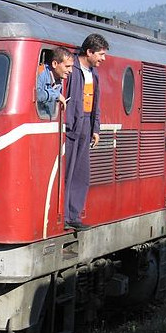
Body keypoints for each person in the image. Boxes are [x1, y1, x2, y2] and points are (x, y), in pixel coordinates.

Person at [63, 33, 109, 230]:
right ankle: (64, 214)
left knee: (81, 173)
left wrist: (95, 128)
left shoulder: (93, 74)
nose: (103, 58)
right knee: (68, 170)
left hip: (86, 124)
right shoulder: (71, 69)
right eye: (100, 54)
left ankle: (74, 215)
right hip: (71, 124)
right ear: (89, 52)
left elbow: (95, 103)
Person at [36, 46, 74, 119]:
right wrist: (56, 94)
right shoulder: (40, 74)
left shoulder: (59, 78)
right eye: (67, 66)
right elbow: (36, 95)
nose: (71, 70)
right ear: (55, 64)